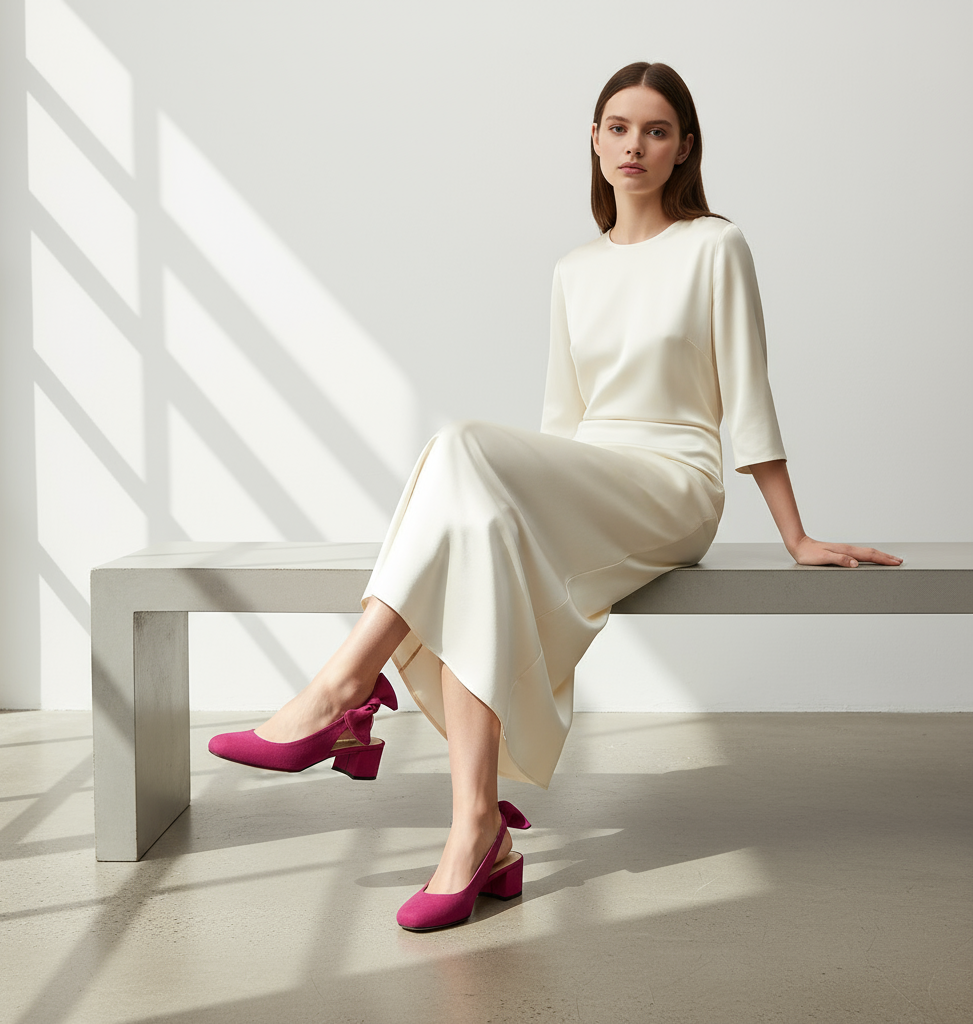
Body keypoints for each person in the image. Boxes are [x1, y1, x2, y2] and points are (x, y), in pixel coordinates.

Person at [208, 61, 902, 932]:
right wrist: (521, 515)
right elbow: (560, 425)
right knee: (481, 537)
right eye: (618, 127)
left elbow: (749, 399)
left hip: (673, 487)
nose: (635, 146)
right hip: (589, 479)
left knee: (458, 442)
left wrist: (796, 536)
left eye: (655, 130)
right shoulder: (573, 270)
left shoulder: (716, 246)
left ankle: (344, 686)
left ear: (685, 147)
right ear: (595, 138)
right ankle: (476, 834)